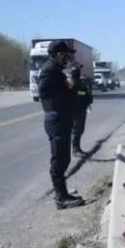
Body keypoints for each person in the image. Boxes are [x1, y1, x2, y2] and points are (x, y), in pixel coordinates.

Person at [38, 41, 84, 209]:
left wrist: (73, 79)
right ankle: (60, 197)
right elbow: (44, 90)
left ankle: (63, 193)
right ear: (58, 54)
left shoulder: (56, 70)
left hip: (62, 118)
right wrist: (68, 83)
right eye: (66, 54)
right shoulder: (49, 71)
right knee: (59, 158)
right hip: (56, 119)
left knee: (64, 158)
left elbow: (67, 90)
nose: (68, 57)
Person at [70, 65, 93, 158]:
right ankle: (75, 150)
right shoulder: (70, 83)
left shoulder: (81, 82)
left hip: (82, 109)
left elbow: (86, 94)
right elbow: (74, 95)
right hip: (74, 110)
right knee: (76, 130)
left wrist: (88, 101)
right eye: (77, 70)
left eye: (79, 70)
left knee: (80, 130)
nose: (78, 72)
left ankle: (78, 148)